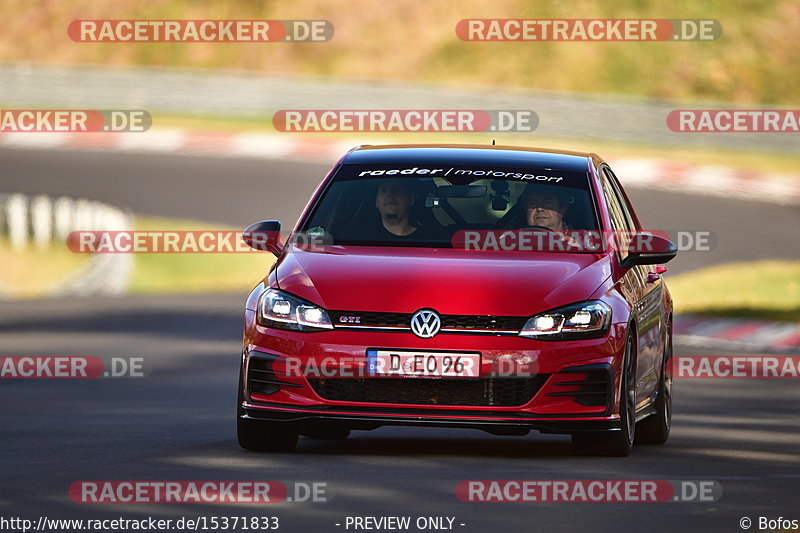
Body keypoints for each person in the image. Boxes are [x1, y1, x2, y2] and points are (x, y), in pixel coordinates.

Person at [347, 178, 448, 243]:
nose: (390, 194)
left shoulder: (433, 239)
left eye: (397, 189)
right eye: (383, 190)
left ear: (411, 199)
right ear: (376, 202)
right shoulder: (356, 237)